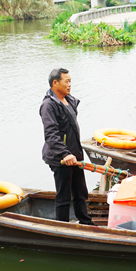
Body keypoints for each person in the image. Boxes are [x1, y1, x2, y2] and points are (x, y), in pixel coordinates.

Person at [40, 68, 95, 226]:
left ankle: (85, 222)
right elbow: (51, 134)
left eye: (70, 81)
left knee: (80, 192)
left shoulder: (68, 100)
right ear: (55, 83)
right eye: (67, 81)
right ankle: (62, 228)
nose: (70, 84)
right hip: (61, 158)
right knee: (64, 195)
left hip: (75, 155)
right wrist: (65, 154)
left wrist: (75, 154)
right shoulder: (48, 105)